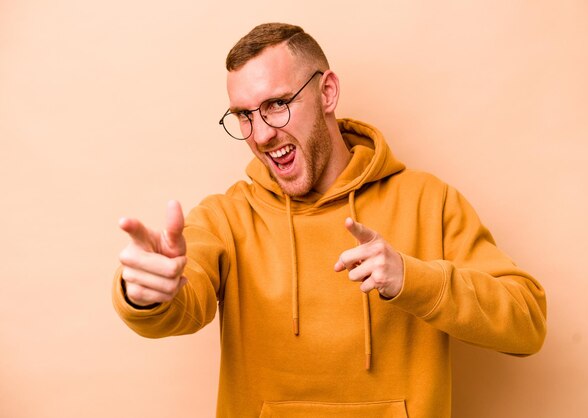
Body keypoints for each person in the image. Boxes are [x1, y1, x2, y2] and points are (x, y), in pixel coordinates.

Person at [113, 22, 547, 418]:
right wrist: (149, 295)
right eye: (244, 115)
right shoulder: (226, 217)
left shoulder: (428, 201)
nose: (261, 134)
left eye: (277, 104)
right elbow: (185, 303)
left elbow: (526, 325)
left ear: (327, 93)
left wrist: (412, 279)